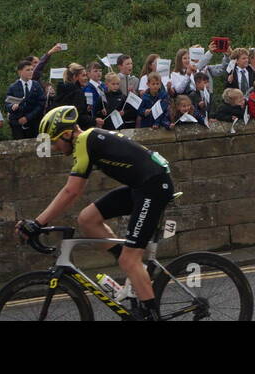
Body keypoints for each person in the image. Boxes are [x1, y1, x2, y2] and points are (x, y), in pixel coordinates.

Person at [19, 107, 174, 319]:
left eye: (55, 141)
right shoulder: (88, 139)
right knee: (87, 219)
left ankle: (150, 313)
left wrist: (37, 222)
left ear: (67, 133)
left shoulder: (84, 140)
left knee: (129, 260)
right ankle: (133, 268)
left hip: (154, 187)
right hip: (142, 186)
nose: (54, 147)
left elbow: (71, 190)